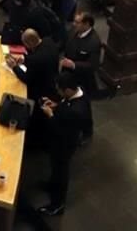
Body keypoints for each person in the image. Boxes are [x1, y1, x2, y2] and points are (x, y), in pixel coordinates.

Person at [37, 72, 93, 216]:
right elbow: (66, 106)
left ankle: (57, 205)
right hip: (62, 139)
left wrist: (50, 115)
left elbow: (61, 131)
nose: (57, 92)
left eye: (59, 90)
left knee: (61, 171)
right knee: (55, 169)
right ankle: (51, 185)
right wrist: (56, 105)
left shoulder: (76, 111)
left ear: (67, 90)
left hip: (64, 145)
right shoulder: (77, 93)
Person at [6, 28, 59, 103]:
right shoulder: (48, 41)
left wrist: (14, 67)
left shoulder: (34, 60)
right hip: (53, 80)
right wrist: (25, 60)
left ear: (29, 43)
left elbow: (26, 79)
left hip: (41, 90)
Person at [60, 13, 102, 105]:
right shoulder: (74, 30)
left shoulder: (94, 42)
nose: (73, 24)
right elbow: (65, 44)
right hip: (67, 70)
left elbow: (93, 65)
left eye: (77, 22)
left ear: (86, 24)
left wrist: (74, 65)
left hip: (80, 78)